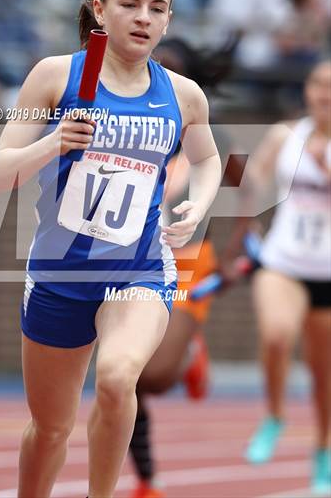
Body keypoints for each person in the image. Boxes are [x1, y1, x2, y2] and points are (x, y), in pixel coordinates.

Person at [0, 0, 221, 498]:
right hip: (59, 273)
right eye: (129, 4)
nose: (143, 17)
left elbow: (207, 161)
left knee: (117, 379)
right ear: (100, 10)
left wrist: (199, 203)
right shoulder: (54, 75)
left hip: (137, 269)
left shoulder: (183, 95)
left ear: (168, 22)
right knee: (51, 429)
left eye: (157, 8)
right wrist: (54, 140)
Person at [127, 37, 250, 498]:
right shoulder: (128, 126)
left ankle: (189, 349)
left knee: (153, 377)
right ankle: (146, 480)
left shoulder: (213, 138)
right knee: (122, 373)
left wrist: (240, 249)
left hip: (189, 266)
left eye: (172, 69)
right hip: (130, 258)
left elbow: (246, 196)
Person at [236, 60, 330, 494]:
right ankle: (274, 415)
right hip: (283, 261)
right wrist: (247, 220)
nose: (324, 93)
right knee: (276, 334)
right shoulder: (286, 135)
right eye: (317, 84)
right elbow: (253, 179)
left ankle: (324, 447)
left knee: (323, 371)